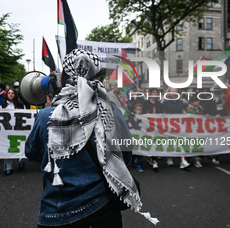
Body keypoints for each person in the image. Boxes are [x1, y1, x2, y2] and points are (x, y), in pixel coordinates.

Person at [25, 49, 158, 227]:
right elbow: (125, 155)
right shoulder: (111, 111)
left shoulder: (47, 115)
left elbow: (32, 153)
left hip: (57, 213)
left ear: (64, 77)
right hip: (103, 209)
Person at [163, 88, 190, 169]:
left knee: (182, 141)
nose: (174, 94)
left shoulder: (181, 102)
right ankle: (169, 158)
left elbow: (183, 111)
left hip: (179, 125)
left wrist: (188, 116)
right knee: (170, 142)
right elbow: (163, 113)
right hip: (169, 125)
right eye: (173, 92)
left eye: (176, 92)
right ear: (170, 94)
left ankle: (183, 160)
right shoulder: (166, 102)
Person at [1, 88, 25, 175]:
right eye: (9, 93)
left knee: (19, 145)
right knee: (7, 148)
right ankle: (8, 166)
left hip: (18, 129)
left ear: (15, 94)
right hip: (7, 130)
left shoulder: (21, 105)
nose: (10, 94)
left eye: (12, 93)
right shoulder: (2, 105)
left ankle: (21, 160)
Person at [142, 88, 164, 171]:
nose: (155, 94)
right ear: (150, 93)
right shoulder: (145, 103)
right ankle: (152, 158)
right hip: (147, 126)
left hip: (156, 126)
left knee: (155, 142)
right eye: (153, 92)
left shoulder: (159, 104)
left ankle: (153, 159)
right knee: (149, 142)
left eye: (156, 93)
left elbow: (161, 114)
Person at [186, 96, 204, 168]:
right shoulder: (189, 109)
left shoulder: (200, 107)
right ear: (191, 102)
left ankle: (195, 157)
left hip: (199, 128)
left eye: (198, 101)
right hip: (192, 128)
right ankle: (195, 159)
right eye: (196, 101)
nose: (198, 102)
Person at [126, 103, 144, 172]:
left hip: (141, 138)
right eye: (138, 110)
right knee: (134, 151)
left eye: (140, 110)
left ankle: (139, 164)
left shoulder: (144, 118)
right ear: (134, 110)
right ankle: (132, 160)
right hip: (134, 137)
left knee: (141, 152)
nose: (139, 111)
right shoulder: (131, 118)